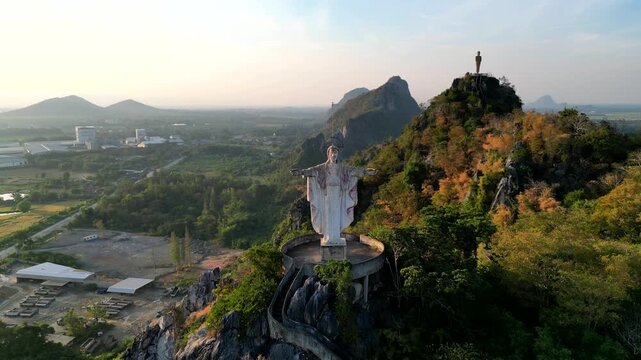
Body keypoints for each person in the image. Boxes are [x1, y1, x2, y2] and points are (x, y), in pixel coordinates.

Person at [291, 145, 375, 245]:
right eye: (332, 153)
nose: (334, 155)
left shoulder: (342, 167)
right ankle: (328, 237)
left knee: (337, 215)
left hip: (338, 194)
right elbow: (313, 170)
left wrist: (365, 171)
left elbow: (353, 170)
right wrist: (301, 172)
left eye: (335, 153)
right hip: (328, 195)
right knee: (328, 215)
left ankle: (336, 237)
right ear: (329, 154)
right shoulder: (323, 167)